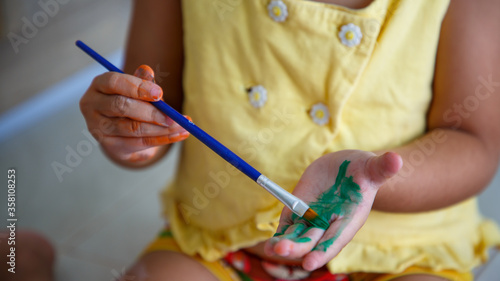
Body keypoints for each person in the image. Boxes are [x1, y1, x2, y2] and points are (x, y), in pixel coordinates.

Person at [79, 0, 500, 280]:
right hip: (219, 243)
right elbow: (157, 112)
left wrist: (370, 180)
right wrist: (130, 138)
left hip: (400, 255)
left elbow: (474, 143)